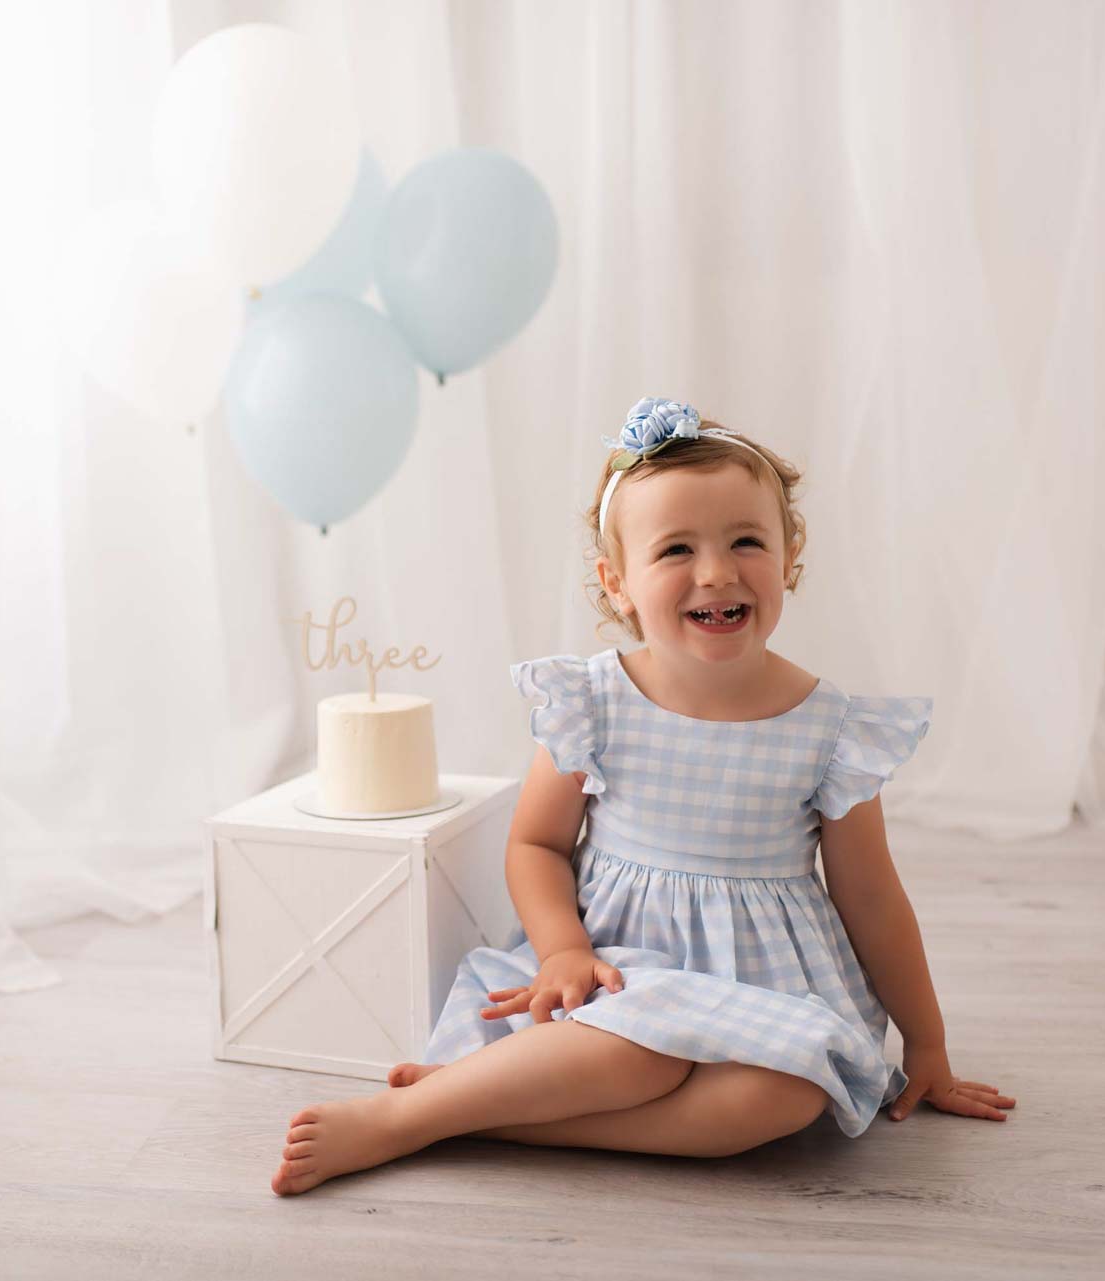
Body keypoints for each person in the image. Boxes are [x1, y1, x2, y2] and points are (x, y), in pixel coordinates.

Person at [272, 396, 1014, 1197]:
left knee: (792, 1091)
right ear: (617, 583)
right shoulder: (594, 701)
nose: (717, 571)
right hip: (621, 967)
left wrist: (927, 1042)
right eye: (676, 550)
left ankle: (474, 1112)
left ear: (790, 556)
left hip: (764, 983)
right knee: (641, 1046)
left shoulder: (829, 727)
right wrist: (562, 948)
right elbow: (537, 845)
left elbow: (871, 894)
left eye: (746, 541)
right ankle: (400, 1121)